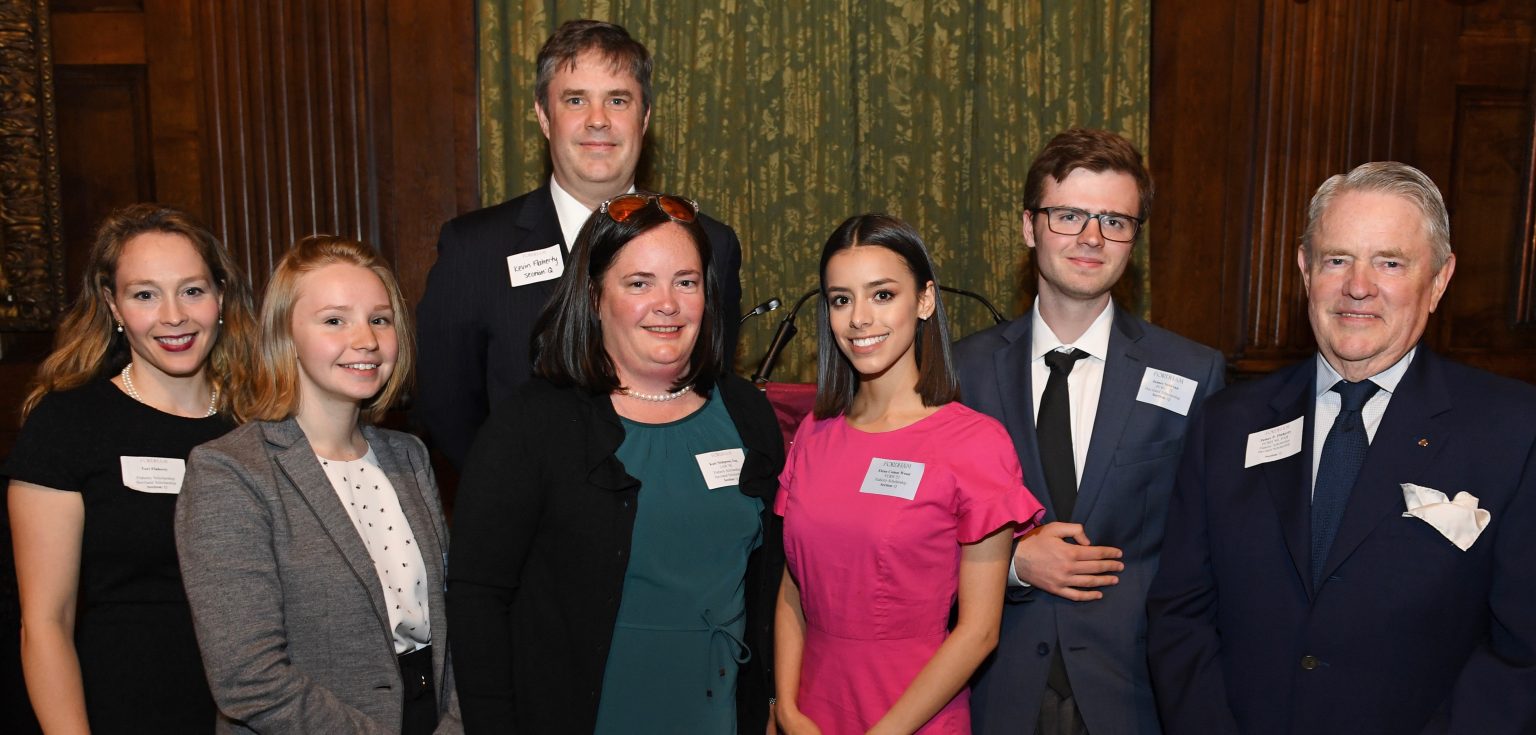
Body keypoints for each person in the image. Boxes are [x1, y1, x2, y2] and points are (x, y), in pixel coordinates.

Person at [1147, 161, 1536, 733]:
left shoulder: (1512, 430)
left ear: (1439, 279)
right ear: (1305, 270)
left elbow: (1521, 651)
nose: (1359, 285)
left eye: (1390, 262)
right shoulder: (1227, 425)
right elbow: (1180, 615)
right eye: (1337, 259)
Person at [446, 193, 782, 733]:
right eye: (639, 282)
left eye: (687, 282)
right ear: (595, 295)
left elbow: (772, 581)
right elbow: (477, 599)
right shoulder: (531, 425)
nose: (667, 303)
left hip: (719, 714)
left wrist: (770, 700)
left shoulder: (747, 413)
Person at [956, 128, 1225, 735]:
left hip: (1133, 692)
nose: (1092, 238)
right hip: (991, 686)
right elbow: (912, 535)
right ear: (1029, 227)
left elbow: (1208, 549)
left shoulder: (1193, 372)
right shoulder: (959, 371)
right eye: (1070, 215)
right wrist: (1014, 562)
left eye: (1115, 220)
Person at [416, 19, 744, 469]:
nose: (598, 120)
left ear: (644, 118)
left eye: (617, 100)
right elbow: (447, 405)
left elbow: (711, 388)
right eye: (575, 99)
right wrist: (510, 497)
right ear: (544, 116)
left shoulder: (710, 243)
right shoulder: (474, 249)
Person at [175, 236, 461, 733]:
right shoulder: (230, 472)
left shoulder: (409, 456)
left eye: (380, 319)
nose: (366, 340)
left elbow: (454, 625)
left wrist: (456, 722)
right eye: (334, 321)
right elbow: (249, 679)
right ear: (286, 337)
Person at [774, 214, 1045, 734]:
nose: (858, 319)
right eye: (840, 299)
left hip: (916, 716)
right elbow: (792, 587)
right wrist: (786, 708)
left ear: (923, 301)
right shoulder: (814, 433)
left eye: (881, 295)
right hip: (812, 711)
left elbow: (979, 632)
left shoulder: (975, 444)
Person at [5, 203, 258, 732]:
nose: (173, 316)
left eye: (192, 290)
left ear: (221, 296)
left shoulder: (261, 423)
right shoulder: (69, 424)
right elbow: (45, 624)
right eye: (145, 294)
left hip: (253, 714)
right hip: (118, 710)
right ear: (113, 305)